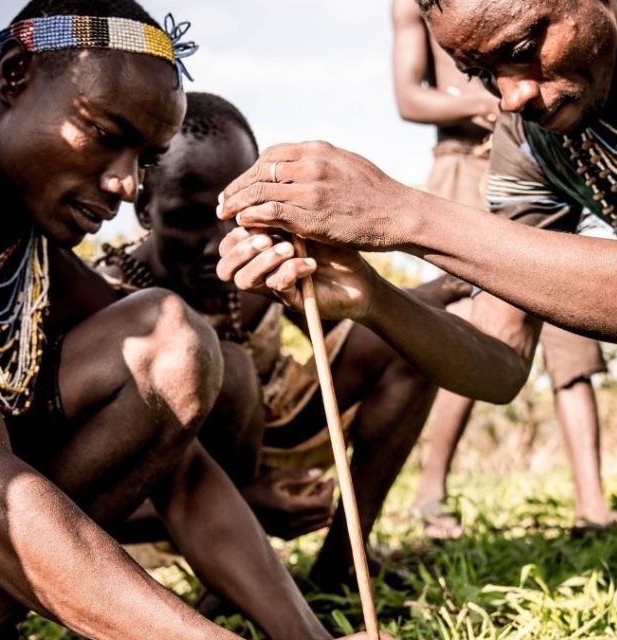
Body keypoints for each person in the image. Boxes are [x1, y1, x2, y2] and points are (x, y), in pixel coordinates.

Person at [215, 0, 617, 637]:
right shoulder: (531, 137)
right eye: (480, 73)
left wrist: (403, 215)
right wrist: (374, 297)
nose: (510, 94)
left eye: (522, 49)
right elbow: (499, 364)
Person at [0, 2, 351, 638]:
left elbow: (185, 475)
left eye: (144, 159)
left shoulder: (39, 267)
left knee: (172, 343)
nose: (128, 185)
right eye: (108, 135)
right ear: (15, 74)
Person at [98, 91, 468, 590]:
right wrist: (246, 500)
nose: (214, 243)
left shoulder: (257, 261)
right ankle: (231, 580)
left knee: (402, 347)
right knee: (226, 370)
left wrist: (439, 290)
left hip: (278, 428)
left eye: (230, 215)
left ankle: (343, 562)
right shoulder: (106, 299)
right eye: (187, 219)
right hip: (170, 483)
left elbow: (351, 329)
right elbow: (83, 488)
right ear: (144, 207)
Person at [391, 0, 617, 539]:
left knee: (571, 325)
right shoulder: (411, 5)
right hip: (466, 167)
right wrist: (485, 96)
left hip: (548, 155)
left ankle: (592, 506)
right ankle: (431, 493)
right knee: (475, 328)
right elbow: (408, 97)